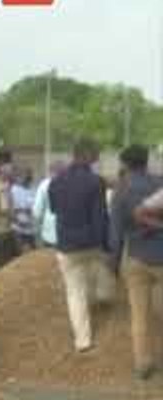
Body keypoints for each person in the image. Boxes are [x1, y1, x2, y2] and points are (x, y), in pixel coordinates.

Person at [48, 138, 115, 353]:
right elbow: (101, 217)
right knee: (101, 273)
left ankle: (83, 341)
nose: (97, 157)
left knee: (75, 292)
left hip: (67, 245)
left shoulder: (56, 181)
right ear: (85, 155)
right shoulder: (96, 182)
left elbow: (54, 210)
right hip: (92, 243)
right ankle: (102, 297)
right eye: (95, 153)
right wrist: (107, 245)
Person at [108, 145, 163, 380]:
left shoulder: (120, 191)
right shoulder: (159, 183)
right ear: (146, 161)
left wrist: (113, 264)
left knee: (139, 315)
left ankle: (143, 363)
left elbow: (116, 232)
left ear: (125, 164)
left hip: (136, 257)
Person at [33, 160, 66, 249]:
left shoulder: (44, 185)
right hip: (68, 233)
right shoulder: (73, 184)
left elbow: (37, 211)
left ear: (50, 171)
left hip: (49, 231)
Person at [11, 167, 36, 253]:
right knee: (20, 254)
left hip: (31, 228)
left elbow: (35, 206)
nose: (28, 178)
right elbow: (10, 209)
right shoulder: (13, 190)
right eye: (25, 176)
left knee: (33, 254)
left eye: (29, 176)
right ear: (19, 177)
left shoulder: (33, 189)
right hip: (19, 228)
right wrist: (18, 220)